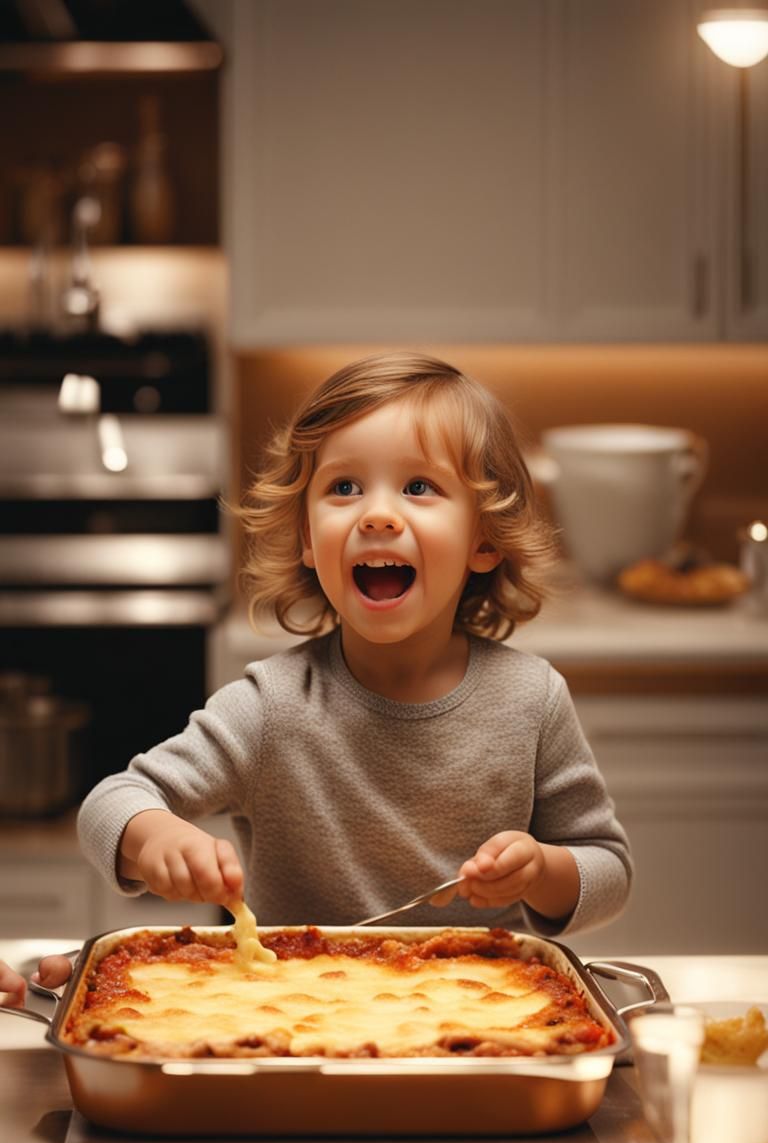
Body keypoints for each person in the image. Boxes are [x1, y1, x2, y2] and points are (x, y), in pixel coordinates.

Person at [1, 353, 631, 1005]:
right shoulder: (271, 706)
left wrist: (542, 872)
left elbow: (608, 868)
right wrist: (153, 836)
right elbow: (108, 803)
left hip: (481, 1012)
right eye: (344, 488)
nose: (377, 515)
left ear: (485, 538)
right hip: (289, 1015)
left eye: (418, 487)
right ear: (307, 536)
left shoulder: (531, 700)